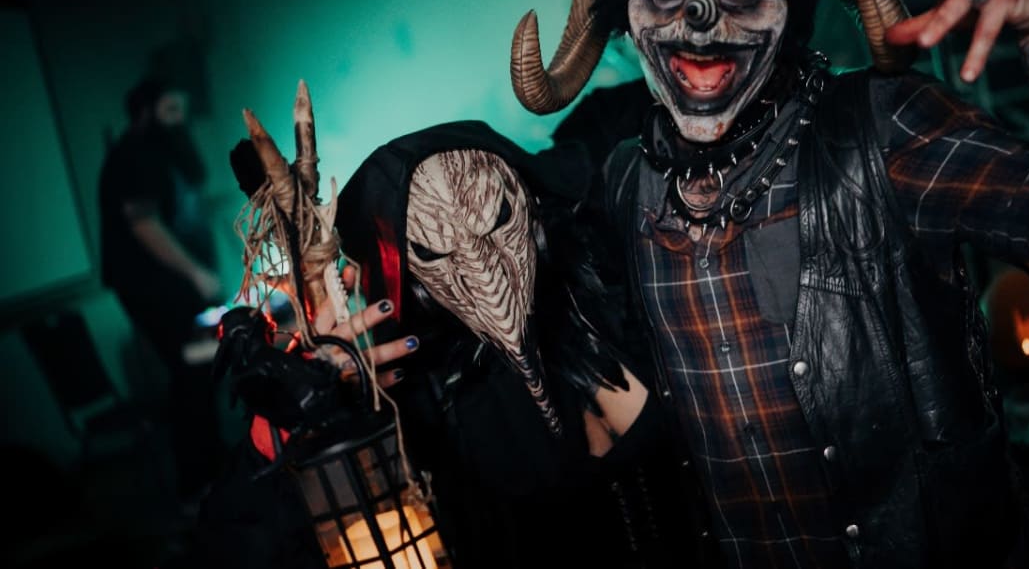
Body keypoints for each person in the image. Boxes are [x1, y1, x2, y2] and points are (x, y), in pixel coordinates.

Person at [507, 0, 1029, 568]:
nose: (699, 15)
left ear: (789, 7)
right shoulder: (626, 184)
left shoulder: (884, 129)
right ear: (627, 12)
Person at [194, 100, 714, 568]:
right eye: (436, 250)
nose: (483, 268)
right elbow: (235, 546)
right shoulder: (423, 403)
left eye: (496, 219)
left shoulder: (625, 291)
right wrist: (281, 437)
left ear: (530, 204)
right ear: (411, 278)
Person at [98, 76, 227, 504]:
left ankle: (212, 475)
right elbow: (144, 224)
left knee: (199, 371)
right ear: (145, 112)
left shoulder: (159, 154)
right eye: (171, 111)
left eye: (182, 112)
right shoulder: (133, 155)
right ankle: (200, 485)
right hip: (154, 288)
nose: (179, 120)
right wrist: (197, 274)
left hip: (172, 287)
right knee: (190, 372)